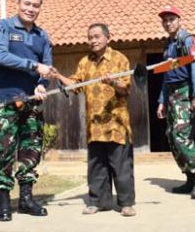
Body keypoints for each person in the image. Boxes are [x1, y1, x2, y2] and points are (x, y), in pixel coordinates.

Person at [54, 23, 137, 217]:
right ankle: (98, 202)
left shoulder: (119, 59)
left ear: (108, 37)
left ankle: (126, 203)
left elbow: (126, 89)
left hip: (117, 125)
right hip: (94, 125)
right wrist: (57, 74)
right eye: (90, 37)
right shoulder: (85, 62)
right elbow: (75, 86)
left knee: (121, 167)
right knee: (97, 166)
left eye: (97, 36)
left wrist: (114, 83)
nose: (93, 40)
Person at [0, 0, 53, 221]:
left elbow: (47, 66)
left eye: (35, 5)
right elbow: (1, 57)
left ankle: (26, 199)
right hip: (7, 100)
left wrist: (42, 84)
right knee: (5, 151)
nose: (30, 9)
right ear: (18, 4)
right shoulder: (3, 27)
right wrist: (34, 66)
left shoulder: (43, 36)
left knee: (31, 150)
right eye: (27, 4)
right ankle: (4, 201)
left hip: (32, 104)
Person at [156, 5, 195, 199]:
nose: (168, 23)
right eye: (165, 20)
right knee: (171, 136)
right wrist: (161, 101)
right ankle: (190, 178)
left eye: (171, 19)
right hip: (171, 94)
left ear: (179, 20)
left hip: (185, 91)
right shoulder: (168, 45)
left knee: (181, 135)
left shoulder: (188, 41)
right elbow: (165, 75)